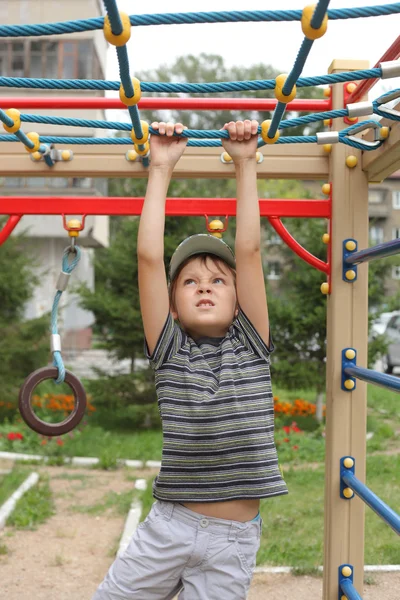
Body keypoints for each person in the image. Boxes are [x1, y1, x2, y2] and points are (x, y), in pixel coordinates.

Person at [93, 120, 288, 600]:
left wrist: (245, 164)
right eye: (189, 281)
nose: (204, 285)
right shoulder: (169, 347)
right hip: (170, 528)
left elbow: (249, 248)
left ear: (239, 297)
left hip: (232, 544)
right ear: (173, 303)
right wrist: (161, 166)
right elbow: (147, 258)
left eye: (218, 280)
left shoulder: (252, 339)